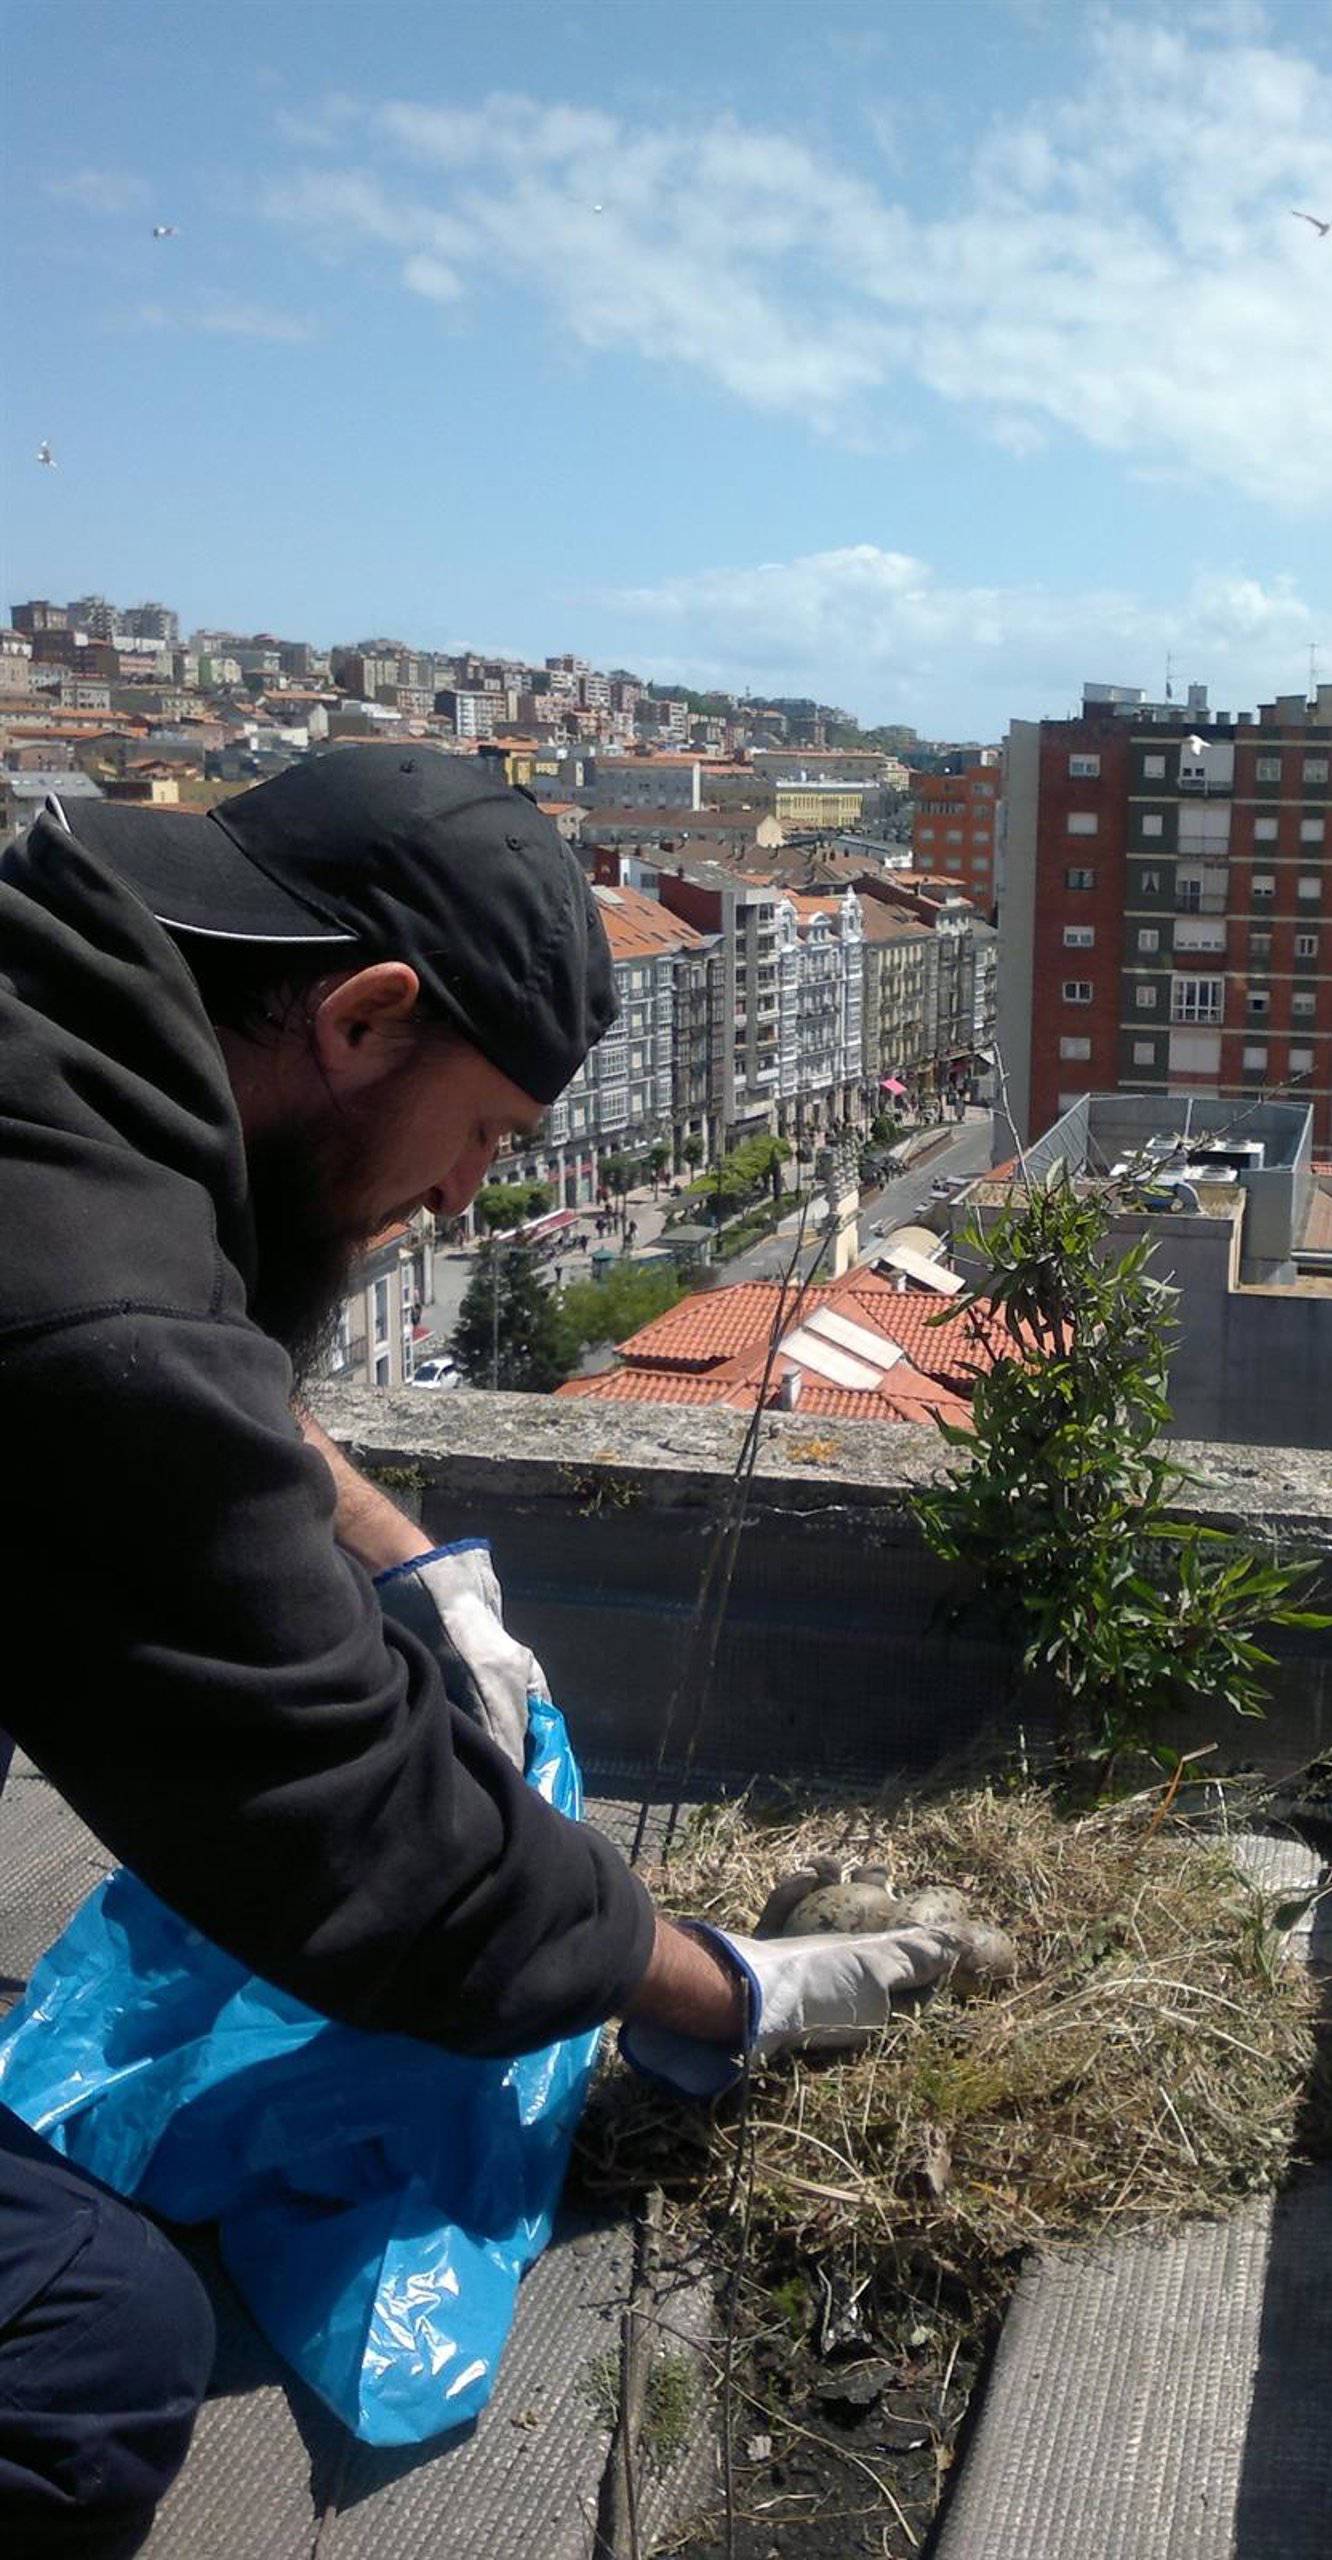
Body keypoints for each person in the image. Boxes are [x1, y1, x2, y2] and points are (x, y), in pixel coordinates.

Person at [0, 746, 950, 2556]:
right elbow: (364, 1847)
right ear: (363, 1018)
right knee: (86, 2344)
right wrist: (721, 1990)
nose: (459, 1205)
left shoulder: (60, 1061)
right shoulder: (79, 1307)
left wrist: (410, 1563)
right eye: (492, 1136)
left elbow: (192, 1370)